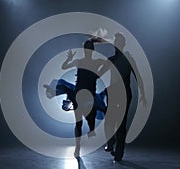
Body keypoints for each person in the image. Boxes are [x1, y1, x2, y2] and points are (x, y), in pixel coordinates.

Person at [98, 33, 146, 162]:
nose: (116, 45)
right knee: (111, 121)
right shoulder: (113, 59)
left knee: (120, 122)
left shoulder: (126, 59)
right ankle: (113, 145)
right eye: (116, 42)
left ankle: (118, 151)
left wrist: (143, 94)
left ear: (122, 44)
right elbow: (100, 73)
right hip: (115, 92)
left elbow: (137, 76)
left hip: (123, 93)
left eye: (119, 42)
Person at [61, 40, 104, 157]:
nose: (88, 51)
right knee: (79, 122)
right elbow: (64, 66)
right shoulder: (81, 62)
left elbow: (108, 64)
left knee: (88, 118)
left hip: (88, 94)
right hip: (80, 94)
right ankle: (78, 146)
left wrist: (99, 72)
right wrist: (68, 59)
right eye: (87, 48)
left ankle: (90, 130)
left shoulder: (94, 62)